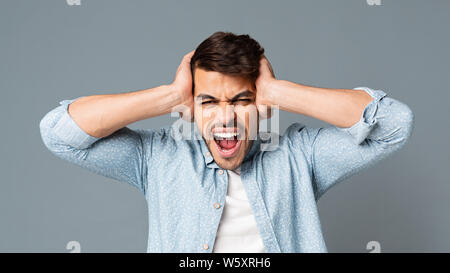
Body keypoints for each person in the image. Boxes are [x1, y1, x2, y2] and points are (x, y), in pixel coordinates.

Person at [39, 31, 414, 253]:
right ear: (190, 107)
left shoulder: (301, 157)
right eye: (209, 102)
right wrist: (170, 96)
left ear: (262, 106)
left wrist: (277, 90)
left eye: (241, 100)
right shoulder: (157, 158)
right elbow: (59, 133)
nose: (226, 117)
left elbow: (394, 124)